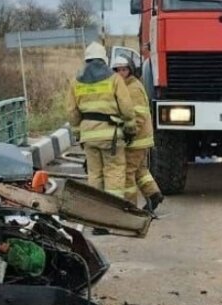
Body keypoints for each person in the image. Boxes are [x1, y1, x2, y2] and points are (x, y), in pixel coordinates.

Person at [69, 42, 135, 197]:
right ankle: (114, 210)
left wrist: (79, 134)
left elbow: (72, 112)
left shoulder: (76, 82)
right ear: (104, 59)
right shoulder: (114, 79)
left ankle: (96, 208)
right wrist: (130, 129)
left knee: (94, 174)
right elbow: (126, 107)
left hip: (88, 137)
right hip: (110, 136)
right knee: (114, 173)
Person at [112, 54, 164, 212]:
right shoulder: (127, 85)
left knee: (128, 171)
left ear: (130, 70)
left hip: (136, 139)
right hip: (141, 139)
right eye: (117, 70)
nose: (121, 73)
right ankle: (154, 194)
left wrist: (129, 133)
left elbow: (139, 115)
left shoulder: (132, 88)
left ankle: (130, 207)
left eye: (124, 69)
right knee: (140, 170)